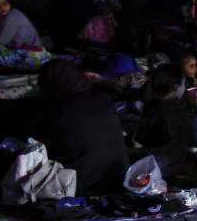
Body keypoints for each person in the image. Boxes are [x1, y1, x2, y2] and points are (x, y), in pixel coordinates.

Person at [33, 59, 129, 195]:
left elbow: (39, 149)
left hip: (79, 186)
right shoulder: (104, 100)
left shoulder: (57, 111)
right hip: (120, 180)